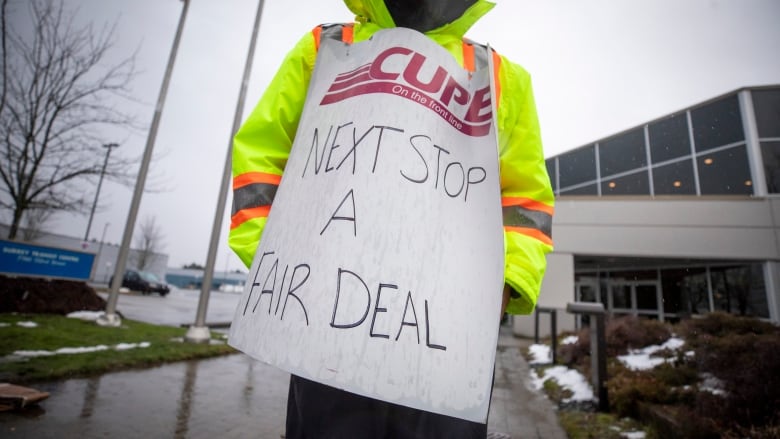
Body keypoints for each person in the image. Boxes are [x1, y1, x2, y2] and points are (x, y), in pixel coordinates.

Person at [229, 1, 554, 437]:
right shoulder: (324, 49)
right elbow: (261, 160)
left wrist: (505, 284)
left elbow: (524, 199)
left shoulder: (500, 77)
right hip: (327, 326)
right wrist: (281, 263)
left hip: (445, 338)